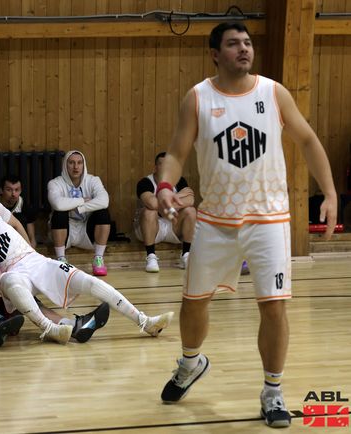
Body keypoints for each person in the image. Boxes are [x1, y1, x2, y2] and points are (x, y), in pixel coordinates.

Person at [156, 22, 337, 429]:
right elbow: (176, 153)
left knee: (273, 306)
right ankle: (191, 363)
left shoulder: (273, 93)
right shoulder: (198, 97)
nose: (244, 49)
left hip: (268, 220)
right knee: (193, 303)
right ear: (214, 54)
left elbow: (308, 140)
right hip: (215, 221)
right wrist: (165, 186)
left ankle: (272, 391)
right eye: (233, 43)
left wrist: (329, 193)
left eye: (248, 43)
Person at [0, 187, 173, 345]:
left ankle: (145, 322)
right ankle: (50, 330)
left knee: (89, 281)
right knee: (8, 281)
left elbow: (16, 224)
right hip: (12, 274)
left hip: (36, 261)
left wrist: (31, 250)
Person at [47, 150, 111, 276]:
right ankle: (61, 260)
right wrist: (82, 200)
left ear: (83, 165)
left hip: (86, 228)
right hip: (65, 229)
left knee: (103, 212)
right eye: (71, 163)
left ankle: (98, 259)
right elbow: (58, 204)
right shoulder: (55, 183)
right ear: (65, 165)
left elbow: (104, 201)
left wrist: (79, 208)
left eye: (79, 163)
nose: (76, 167)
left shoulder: (93, 180)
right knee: (60, 212)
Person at [134, 151, 196, 272]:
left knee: (191, 211)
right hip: (151, 228)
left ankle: (186, 254)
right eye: (162, 164)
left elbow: (190, 200)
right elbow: (152, 204)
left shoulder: (179, 181)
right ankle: (151, 256)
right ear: (155, 168)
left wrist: (164, 203)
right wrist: (178, 196)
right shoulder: (145, 182)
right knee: (149, 211)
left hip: (173, 226)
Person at [0, 175, 38, 248]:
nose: (13, 194)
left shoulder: (23, 203)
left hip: (17, 243)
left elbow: (31, 235)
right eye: (9, 190)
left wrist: (32, 247)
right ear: (1, 190)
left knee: (20, 218)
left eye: (17, 190)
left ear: (21, 191)